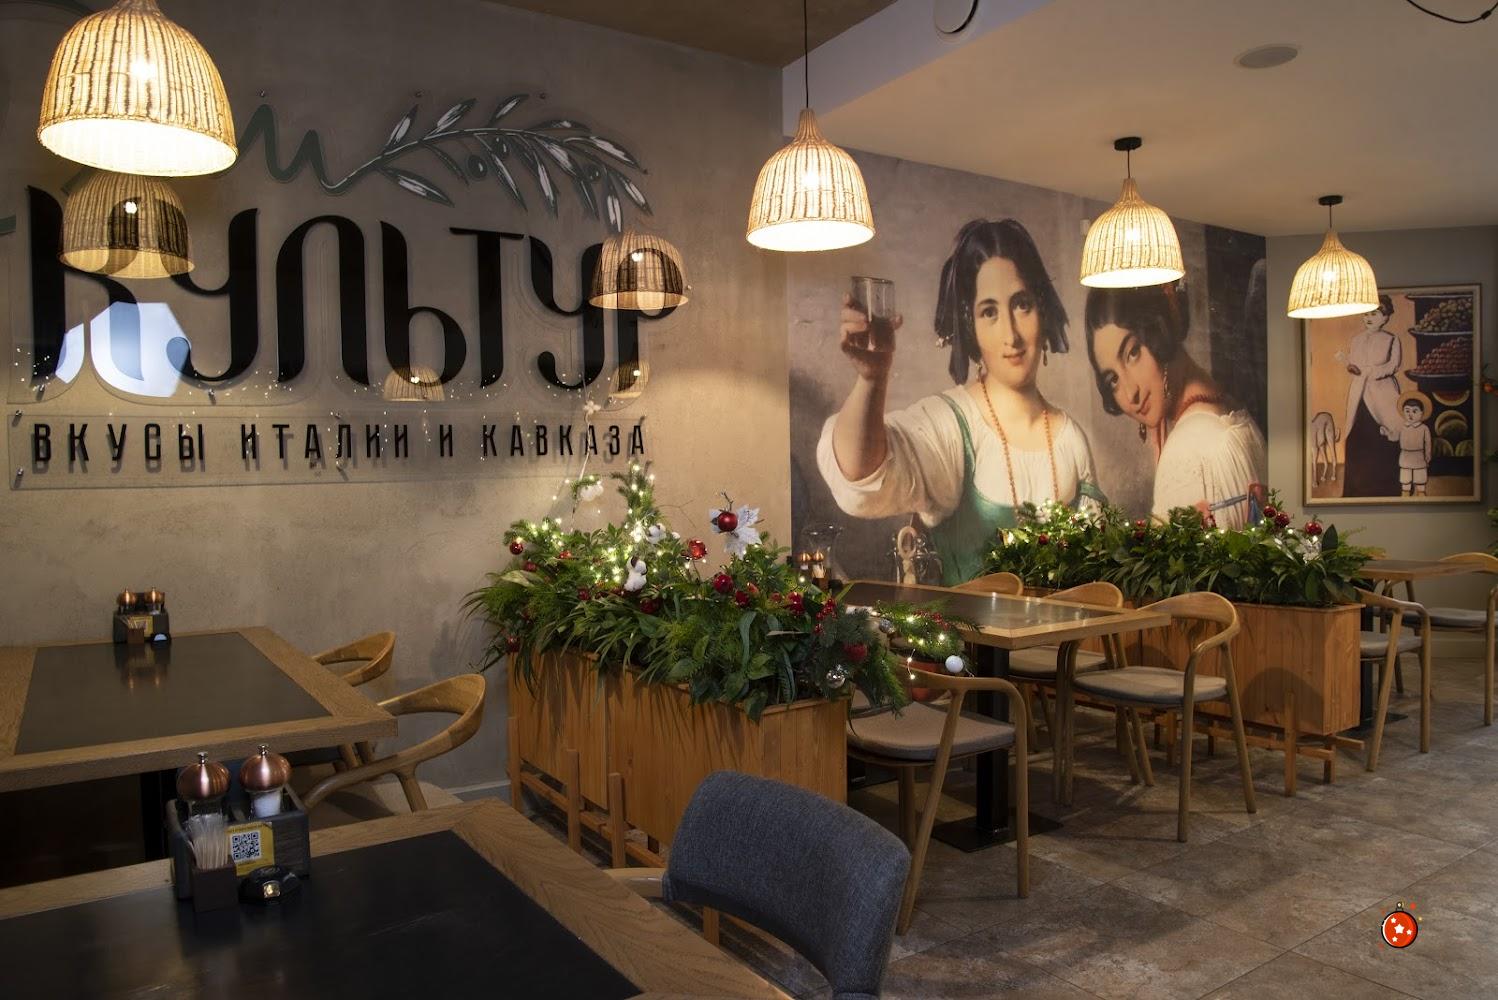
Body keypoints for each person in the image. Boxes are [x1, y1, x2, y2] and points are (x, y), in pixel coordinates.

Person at [817, 218, 1104, 585]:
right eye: (989, 312)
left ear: (1042, 311)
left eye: (1021, 305)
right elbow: (861, 475)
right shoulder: (951, 424)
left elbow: (1097, 572)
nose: (1011, 335)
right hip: (965, 626)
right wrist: (872, 379)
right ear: (970, 326)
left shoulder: (1071, 439)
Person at [1084, 281, 1266, 527]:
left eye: (1133, 352)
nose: (1130, 393)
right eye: (1112, 379)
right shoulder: (1235, 414)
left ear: (1159, 330)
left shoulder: (1184, 454)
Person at [1337, 294, 1402, 497]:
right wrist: (1348, 364)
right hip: (1359, 394)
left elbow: (1393, 365)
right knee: (1357, 436)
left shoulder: (1391, 339)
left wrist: (1370, 373)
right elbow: (1354, 366)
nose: (1369, 318)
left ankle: (1386, 489)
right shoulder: (1356, 340)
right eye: (1366, 314)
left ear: (1386, 317)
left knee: (1385, 436)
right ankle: (1355, 491)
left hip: (1383, 393)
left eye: (1374, 313)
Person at [1395, 390, 1433, 496]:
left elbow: (1428, 443)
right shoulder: (1402, 427)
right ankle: (1405, 493)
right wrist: (1386, 432)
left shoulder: (1424, 428)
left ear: (1421, 413)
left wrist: (1428, 454)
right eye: (1407, 411)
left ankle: (1421, 493)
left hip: (1419, 457)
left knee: (1420, 478)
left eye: (1414, 411)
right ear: (1403, 412)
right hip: (1405, 456)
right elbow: (1394, 437)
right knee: (1405, 479)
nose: (1410, 414)